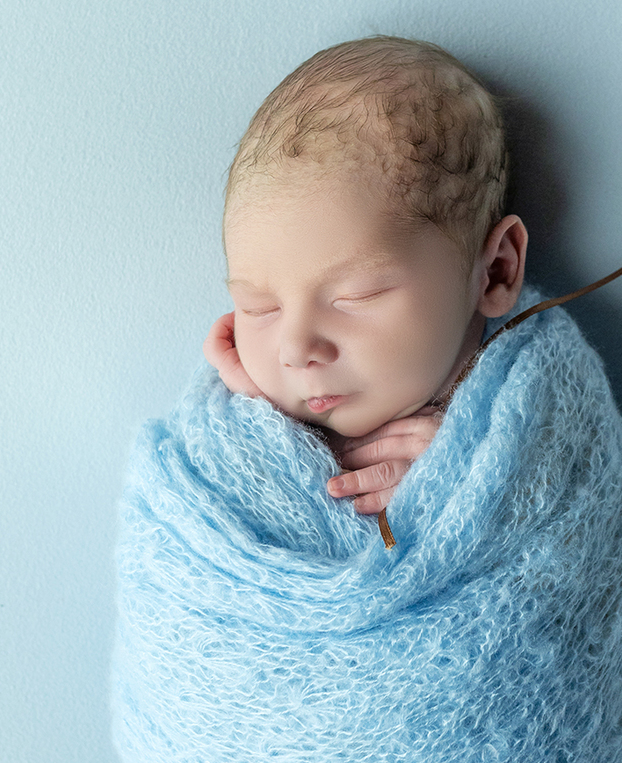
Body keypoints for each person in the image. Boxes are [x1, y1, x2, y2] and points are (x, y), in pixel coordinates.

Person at [202, 35, 529, 523]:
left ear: (495, 271)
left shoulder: (528, 415)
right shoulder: (240, 407)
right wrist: (257, 422)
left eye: (357, 295)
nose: (294, 349)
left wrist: (470, 476)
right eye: (258, 308)